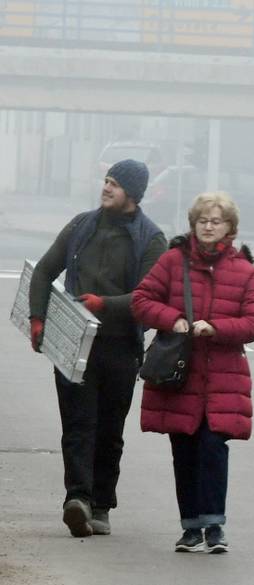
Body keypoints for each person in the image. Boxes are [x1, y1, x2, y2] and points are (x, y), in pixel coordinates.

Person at [27, 159, 167, 537]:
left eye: (116, 184)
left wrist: (106, 305)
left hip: (120, 348)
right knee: (77, 424)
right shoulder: (80, 226)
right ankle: (78, 499)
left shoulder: (151, 239)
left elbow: (148, 296)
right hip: (74, 343)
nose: (106, 188)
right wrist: (37, 318)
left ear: (133, 195)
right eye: (106, 180)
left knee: (108, 430)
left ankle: (102, 504)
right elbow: (43, 271)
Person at [131, 191, 254, 554]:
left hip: (222, 378)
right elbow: (141, 300)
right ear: (193, 224)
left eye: (216, 221)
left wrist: (217, 329)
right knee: (185, 449)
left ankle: (214, 525)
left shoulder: (244, 271)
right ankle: (190, 527)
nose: (209, 227)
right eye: (203, 221)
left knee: (213, 446)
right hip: (179, 377)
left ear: (230, 229)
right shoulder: (173, 262)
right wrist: (173, 320)